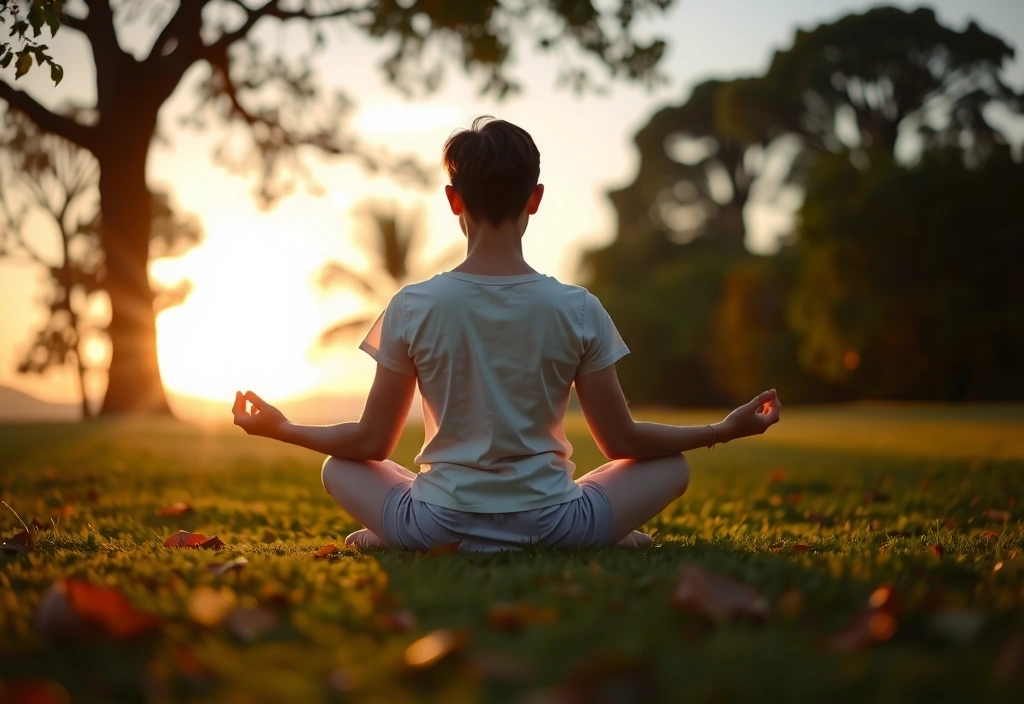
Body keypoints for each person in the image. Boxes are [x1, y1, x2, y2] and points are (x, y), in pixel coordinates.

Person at [231, 116, 781, 552]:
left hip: (435, 524)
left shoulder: (413, 304)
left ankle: (399, 536)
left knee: (339, 467)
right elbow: (623, 443)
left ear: (454, 201)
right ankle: (604, 535)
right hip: (556, 525)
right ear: (535, 199)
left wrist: (283, 428)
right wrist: (721, 429)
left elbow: (371, 444)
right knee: (671, 465)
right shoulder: (578, 307)